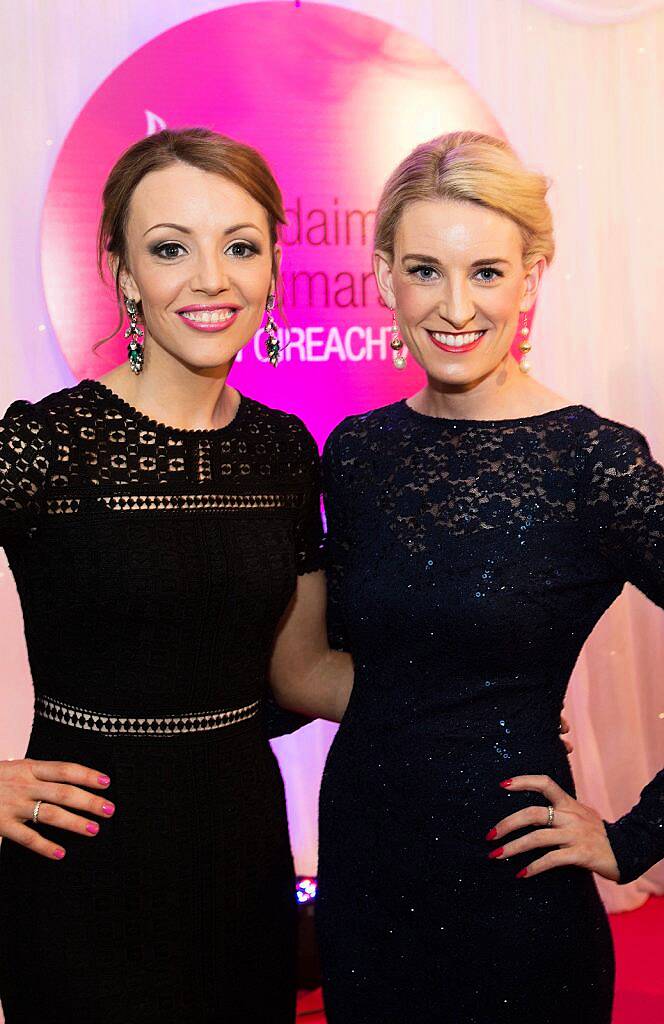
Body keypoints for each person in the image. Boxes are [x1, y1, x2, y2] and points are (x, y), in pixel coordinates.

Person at [310, 132, 664, 1023]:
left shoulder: (594, 461)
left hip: (515, 895)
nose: (455, 306)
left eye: (488, 272)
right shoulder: (356, 452)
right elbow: (346, 663)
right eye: (425, 270)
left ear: (533, 277)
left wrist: (633, 838)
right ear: (386, 274)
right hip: (364, 877)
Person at [0, 127, 351, 1023]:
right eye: (169, 249)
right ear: (121, 271)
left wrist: (466, 702)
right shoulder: (41, 445)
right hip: (81, 863)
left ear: (274, 265)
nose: (211, 279)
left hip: (240, 854)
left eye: (240, 246)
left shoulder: (283, 449)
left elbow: (301, 672)